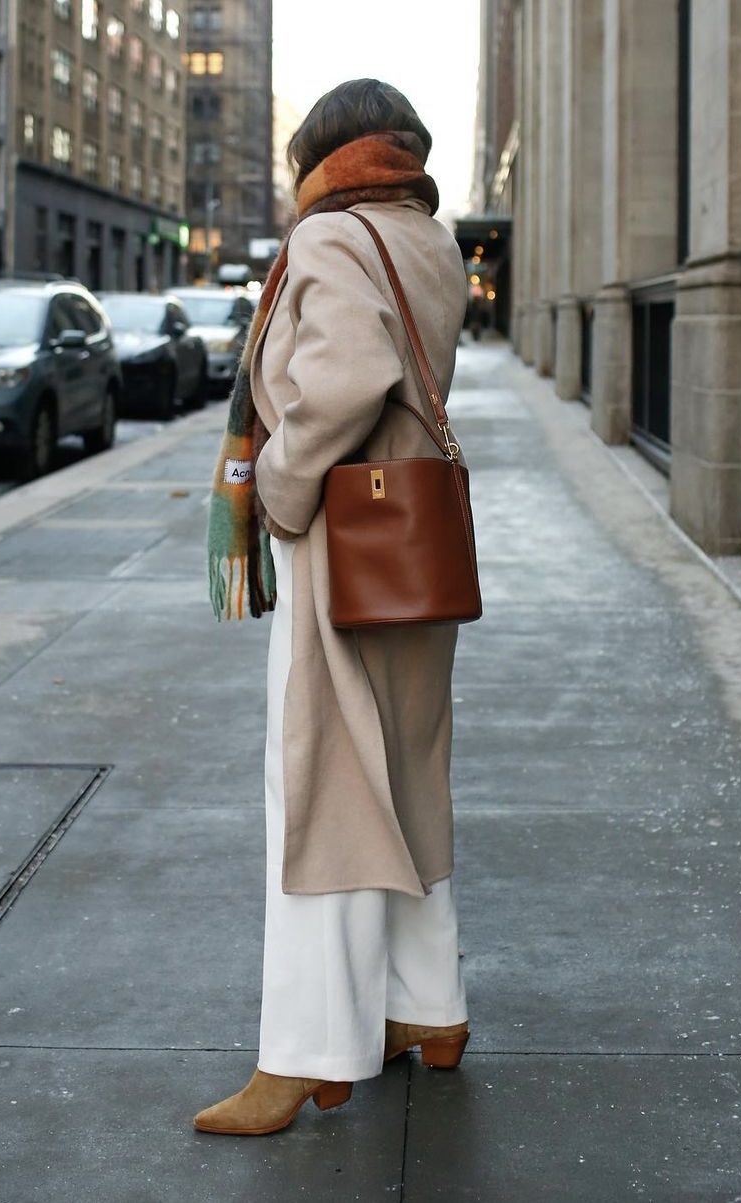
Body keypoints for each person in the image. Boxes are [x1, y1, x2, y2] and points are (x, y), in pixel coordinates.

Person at [200, 79, 470, 1137]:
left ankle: (308, 1055)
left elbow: (347, 374)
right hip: (413, 548)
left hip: (340, 549)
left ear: (318, 153)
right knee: (406, 771)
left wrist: (278, 484)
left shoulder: (331, 239)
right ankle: (426, 1008)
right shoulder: (425, 236)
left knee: (322, 789)